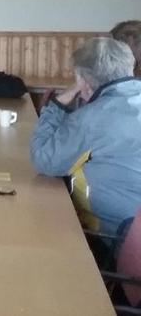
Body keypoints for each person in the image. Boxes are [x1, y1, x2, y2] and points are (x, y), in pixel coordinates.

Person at [30, 37, 141, 234]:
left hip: (117, 238)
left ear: (83, 81)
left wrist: (57, 105)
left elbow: (44, 160)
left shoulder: (91, 119)